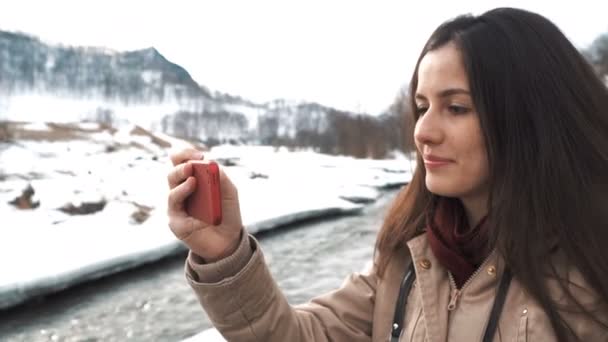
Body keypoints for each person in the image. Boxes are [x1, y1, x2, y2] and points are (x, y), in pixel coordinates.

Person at [166, 7, 608, 342]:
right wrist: (225, 251)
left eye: (456, 108)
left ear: (531, 116)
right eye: (421, 107)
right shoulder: (407, 258)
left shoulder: (590, 268)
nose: (423, 132)